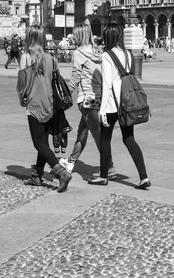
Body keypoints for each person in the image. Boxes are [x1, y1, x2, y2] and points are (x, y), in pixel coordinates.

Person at [91, 23, 150, 189]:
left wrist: (102, 110)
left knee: (105, 139)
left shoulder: (107, 56)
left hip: (111, 105)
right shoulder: (128, 54)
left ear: (107, 37)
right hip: (126, 103)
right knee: (129, 139)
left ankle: (103, 176)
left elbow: (107, 85)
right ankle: (144, 177)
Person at [16, 25, 72, 193]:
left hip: (33, 105)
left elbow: (21, 84)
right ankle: (36, 175)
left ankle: (61, 173)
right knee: (44, 142)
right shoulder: (51, 58)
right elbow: (56, 81)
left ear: (29, 38)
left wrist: (21, 100)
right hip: (50, 104)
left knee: (38, 143)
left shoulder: (26, 58)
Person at [58, 24, 116, 178]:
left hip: (86, 99)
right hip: (98, 97)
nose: (73, 37)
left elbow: (75, 77)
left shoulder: (78, 53)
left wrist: (64, 95)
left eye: (75, 35)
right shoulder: (98, 51)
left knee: (97, 135)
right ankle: (71, 161)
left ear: (80, 35)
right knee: (82, 132)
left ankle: (109, 167)